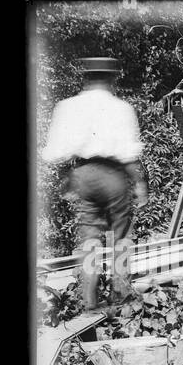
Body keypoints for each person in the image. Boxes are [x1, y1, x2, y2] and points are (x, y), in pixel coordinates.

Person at [41, 57, 148, 311]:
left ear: (85, 78)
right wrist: (139, 183)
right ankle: (120, 293)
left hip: (84, 174)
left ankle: (89, 299)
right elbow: (129, 153)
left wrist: (69, 176)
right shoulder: (121, 108)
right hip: (114, 175)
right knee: (119, 235)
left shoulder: (68, 107)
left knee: (89, 236)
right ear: (111, 79)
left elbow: (55, 152)